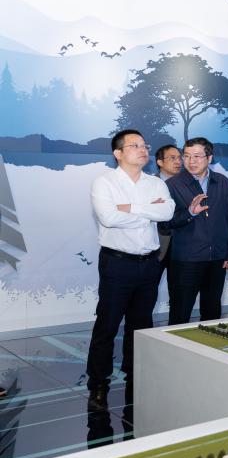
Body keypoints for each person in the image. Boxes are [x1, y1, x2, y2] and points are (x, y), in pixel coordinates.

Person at [87, 129, 173, 404]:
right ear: (118, 153)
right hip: (117, 263)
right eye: (135, 145)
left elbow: (167, 212)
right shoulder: (105, 182)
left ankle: (135, 373)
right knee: (108, 324)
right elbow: (109, 218)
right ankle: (98, 381)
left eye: (144, 145)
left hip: (149, 263)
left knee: (141, 324)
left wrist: (129, 207)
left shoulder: (155, 183)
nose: (143, 149)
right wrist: (147, 210)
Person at [163, 137, 228, 324]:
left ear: (209, 158)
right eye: (187, 156)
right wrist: (189, 212)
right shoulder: (172, 184)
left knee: (212, 312)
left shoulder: (223, 182)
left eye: (197, 156)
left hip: (217, 259)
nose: (191, 161)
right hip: (186, 260)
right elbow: (165, 223)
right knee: (180, 314)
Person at [153, 145, 181, 264]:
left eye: (179, 158)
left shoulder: (189, 184)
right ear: (160, 162)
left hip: (183, 246)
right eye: (173, 158)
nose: (178, 162)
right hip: (157, 244)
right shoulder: (148, 184)